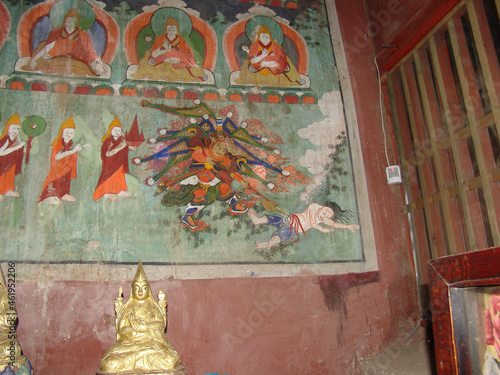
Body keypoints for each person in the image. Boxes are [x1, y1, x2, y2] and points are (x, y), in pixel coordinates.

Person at [98, 261, 185, 374]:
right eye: (136, 288)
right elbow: (121, 329)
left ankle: (139, 359)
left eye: (143, 288)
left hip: (151, 346)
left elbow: (161, 325)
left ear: (148, 290)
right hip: (129, 346)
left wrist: (146, 327)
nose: (140, 291)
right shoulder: (128, 308)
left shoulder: (152, 307)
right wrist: (133, 329)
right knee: (109, 364)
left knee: (169, 360)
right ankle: (138, 359)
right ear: (132, 290)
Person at [162, 132, 248, 229]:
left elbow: (231, 172)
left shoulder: (224, 160)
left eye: (224, 150)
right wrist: (205, 159)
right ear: (213, 144)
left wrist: (241, 181)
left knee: (224, 187)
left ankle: (235, 205)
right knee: (199, 195)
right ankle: (188, 216)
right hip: (197, 183)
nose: (221, 151)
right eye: (219, 147)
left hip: (213, 183)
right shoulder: (204, 151)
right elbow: (195, 155)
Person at [247, 201, 360, 249]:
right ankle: (256, 220)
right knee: (273, 218)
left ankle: (268, 244)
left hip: (293, 229)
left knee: (281, 236)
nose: (324, 216)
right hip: (288, 220)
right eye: (325, 212)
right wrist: (321, 228)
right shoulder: (314, 207)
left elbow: (334, 224)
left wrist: (346, 226)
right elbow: (312, 221)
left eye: (327, 217)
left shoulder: (323, 219)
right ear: (321, 207)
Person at [28, 8, 104, 76]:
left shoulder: (82, 34)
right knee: (45, 53)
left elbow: (89, 49)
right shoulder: (57, 33)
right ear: (65, 21)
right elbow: (47, 47)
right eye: (69, 22)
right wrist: (34, 59)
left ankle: (97, 67)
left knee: (91, 58)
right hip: (57, 51)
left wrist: (96, 59)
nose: (71, 24)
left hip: (79, 52)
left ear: (76, 23)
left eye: (73, 22)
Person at [132, 17, 206, 82]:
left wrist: (178, 59)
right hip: (162, 58)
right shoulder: (159, 39)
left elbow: (187, 54)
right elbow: (154, 54)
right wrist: (164, 51)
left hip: (178, 59)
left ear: (176, 30)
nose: (171, 32)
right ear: (166, 29)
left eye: (173, 29)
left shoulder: (181, 40)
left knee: (189, 66)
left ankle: (198, 73)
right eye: (169, 29)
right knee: (150, 63)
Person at [39, 116, 87, 205]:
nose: (69, 134)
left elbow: (70, 152)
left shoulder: (69, 144)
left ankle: (64, 194)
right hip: (57, 168)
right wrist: (73, 151)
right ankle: (52, 195)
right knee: (57, 181)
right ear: (62, 132)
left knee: (66, 180)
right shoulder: (58, 143)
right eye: (67, 132)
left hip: (66, 167)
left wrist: (80, 148)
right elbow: (57, 157)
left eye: (71, 133)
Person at [238, 25, 303, 87]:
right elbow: (252, 59)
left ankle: (296, 79)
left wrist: (275, 62)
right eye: (263, 37)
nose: (265, 39)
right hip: (259, 65)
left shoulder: (275, 46)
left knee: (288, 64)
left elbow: (281, 56)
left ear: (270, 37)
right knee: (247, 67)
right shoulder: (255, 46)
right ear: (259, 37)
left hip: (274, 65)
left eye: (267, 37)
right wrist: (262, 56)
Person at [93, 118, 135, 201]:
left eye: (119, 130)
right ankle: (107, 192)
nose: (117, 132)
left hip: (119, 163)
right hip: (110, 165)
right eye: (115, 130)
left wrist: (128, 146)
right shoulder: (108, 141)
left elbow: (124, 147)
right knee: (110, 177)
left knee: (119, 177)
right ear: (110, 130)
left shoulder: (121, 141)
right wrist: (121, 146)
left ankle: (118, 190)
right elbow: (108, 153)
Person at [0, 114, 25, 201]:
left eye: (17, 129)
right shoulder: (6, 139)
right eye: (13, 128)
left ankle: (8, 190)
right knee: (2, 177)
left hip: (11, 163)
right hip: (3, 163)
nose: (15, 130)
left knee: (10, 176)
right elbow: (1, 152)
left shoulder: (16, 140)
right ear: (8, 128)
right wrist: (17, 147)